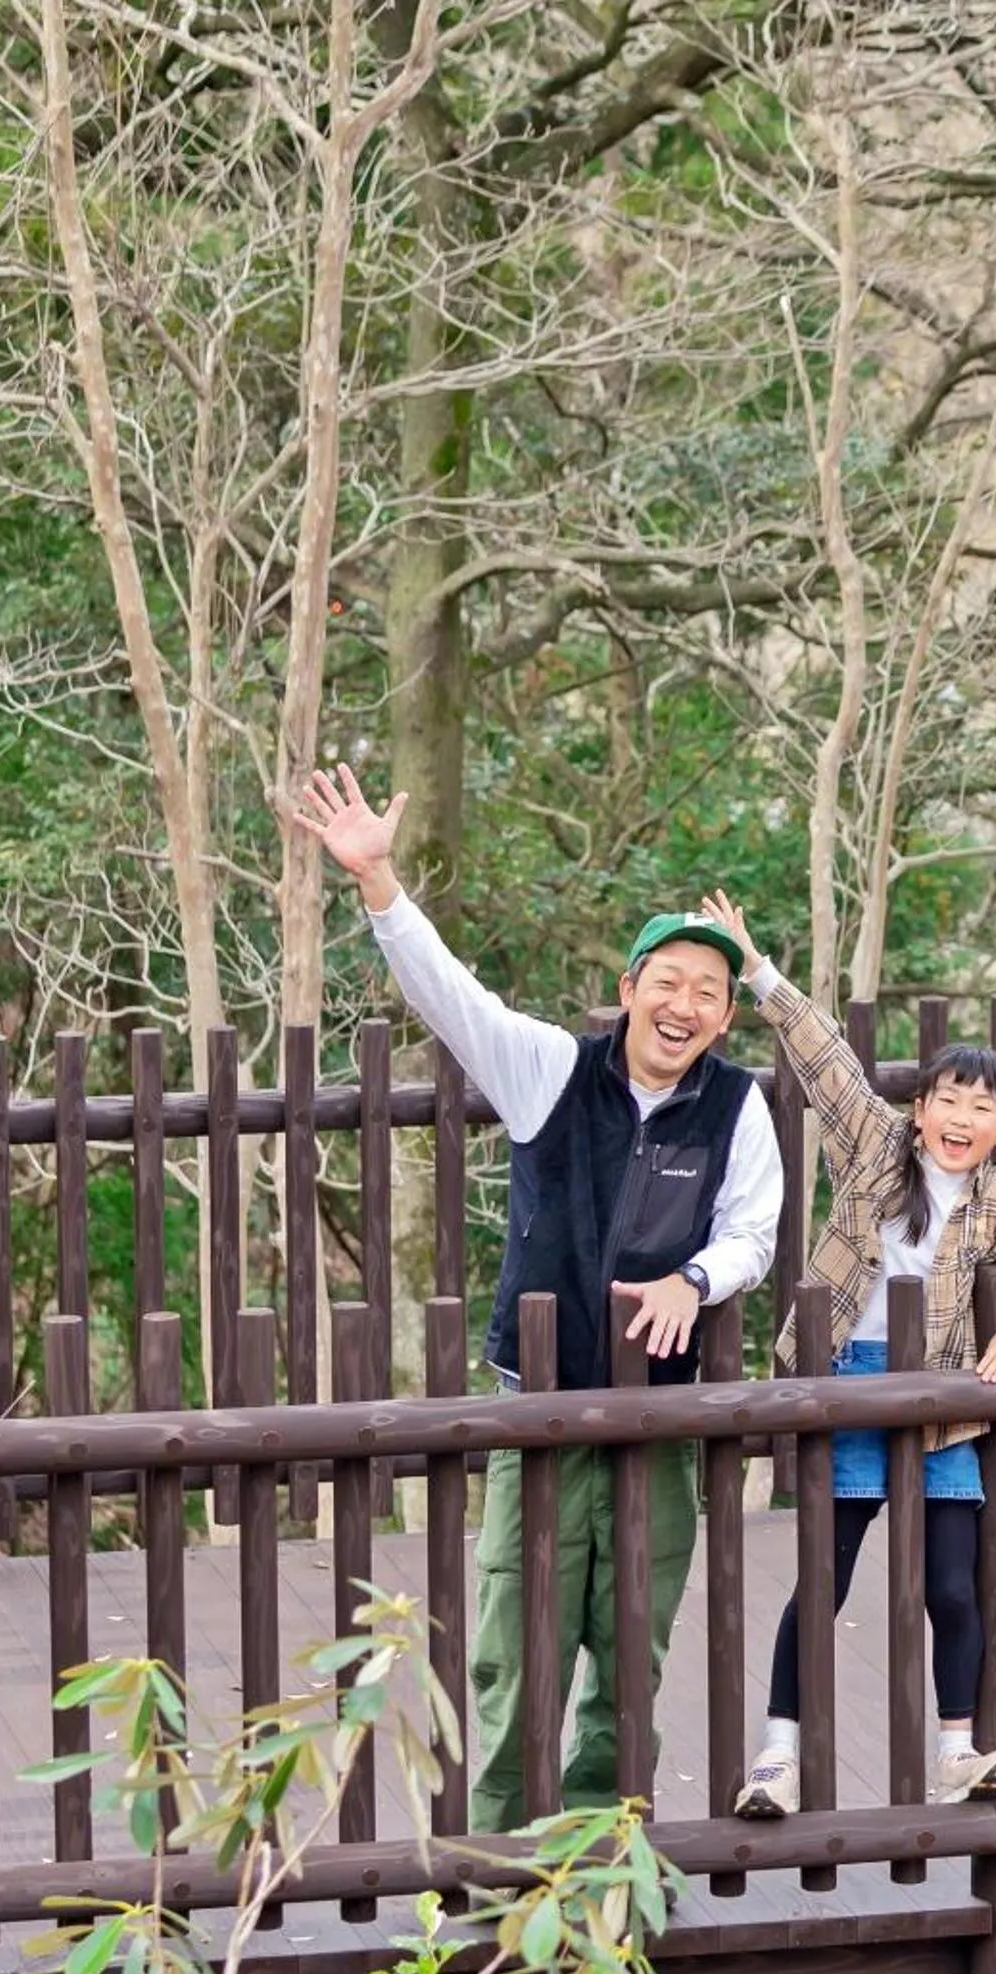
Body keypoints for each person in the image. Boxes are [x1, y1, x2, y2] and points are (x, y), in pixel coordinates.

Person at [289, 766, 783, 1831]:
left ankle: (606, 1865)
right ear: (629, 984)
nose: (685, 1004)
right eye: (670, 980)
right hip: (537, 1412)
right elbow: (449, 994)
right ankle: (498, 1869)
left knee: (632, 1661)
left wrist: (695, 1282)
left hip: (655, 1419)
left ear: (727, 1012)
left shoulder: (739, 1108)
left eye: (709, 991)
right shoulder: (550, 1071)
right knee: (516, 1648)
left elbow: (753, 1231)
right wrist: (377, 880)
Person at [699, 892, 996, 1818]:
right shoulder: (876, 1153)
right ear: (920, 1110)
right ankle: (777, 1755)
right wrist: (757, 971)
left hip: (946, 1401)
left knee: (953, 1588)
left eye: (983, 1108)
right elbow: (825, 1059)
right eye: (948, 1101)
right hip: (850, 1383)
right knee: (826, 1581)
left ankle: (957, 1751)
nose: (962, 1118)